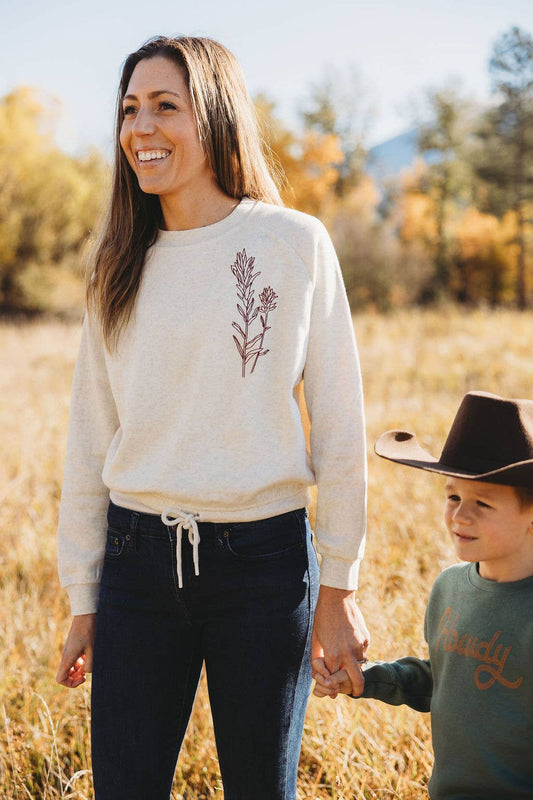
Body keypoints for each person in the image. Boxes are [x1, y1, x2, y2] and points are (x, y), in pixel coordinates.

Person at [55, 35, 369, 800]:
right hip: (136, 563)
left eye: (167, 106)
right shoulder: (115, 262)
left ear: (217, 116)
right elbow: (91, 435)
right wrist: (84, 596)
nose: (142, 129)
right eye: (130, 109)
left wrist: (339, 585)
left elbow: (338, 426)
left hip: (264, 566)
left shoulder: (292, 243)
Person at [313, 390, 533, 799]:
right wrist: (367, 678)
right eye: (453, 496)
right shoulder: (449, 588)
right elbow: (440, 680)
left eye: (482, 503)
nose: (460, 515)